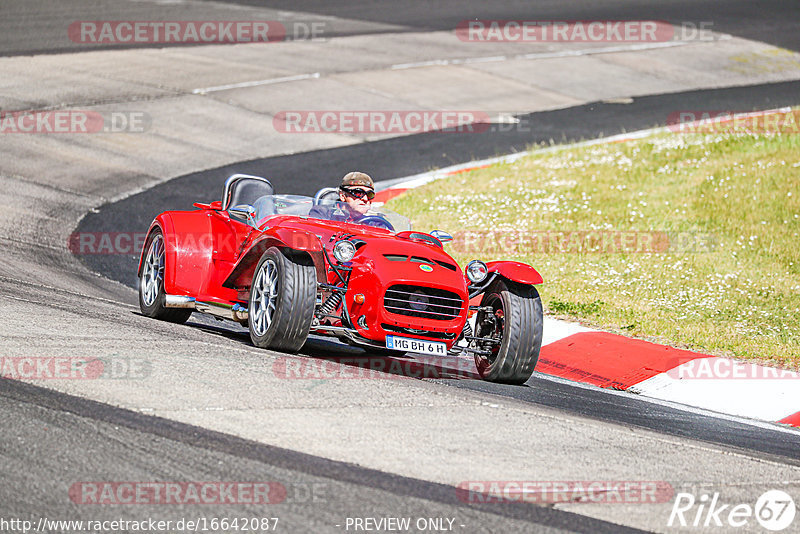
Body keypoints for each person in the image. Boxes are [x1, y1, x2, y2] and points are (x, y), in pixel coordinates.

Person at [309, 171, 392, 229]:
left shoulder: (377, 221)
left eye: (370, 194)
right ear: (342, 196)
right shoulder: (323, 213)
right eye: (358, 193)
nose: (365, 198)